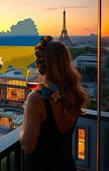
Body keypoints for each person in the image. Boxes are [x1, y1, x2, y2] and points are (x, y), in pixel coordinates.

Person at [19, 37, 89, 171]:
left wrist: (26, 114)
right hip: (65, 164)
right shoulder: (74, 94)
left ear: (41, 64)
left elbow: (28, 145)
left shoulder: (36, 99)